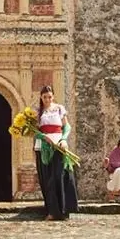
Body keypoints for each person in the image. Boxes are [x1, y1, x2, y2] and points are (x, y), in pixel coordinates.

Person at [34, 85, 79, 220]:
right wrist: (44, 137)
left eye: (49, 97)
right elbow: (33, 130)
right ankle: (52, 211)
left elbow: (67, 126)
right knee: (48, 178)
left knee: (60, 175)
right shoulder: (37, 111)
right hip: (43, 146)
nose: (47, 99)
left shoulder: (59, 109)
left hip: (59, 144)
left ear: (53, 96)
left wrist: (64, 139)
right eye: (44, 97)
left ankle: (64, 210)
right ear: (41, 97)